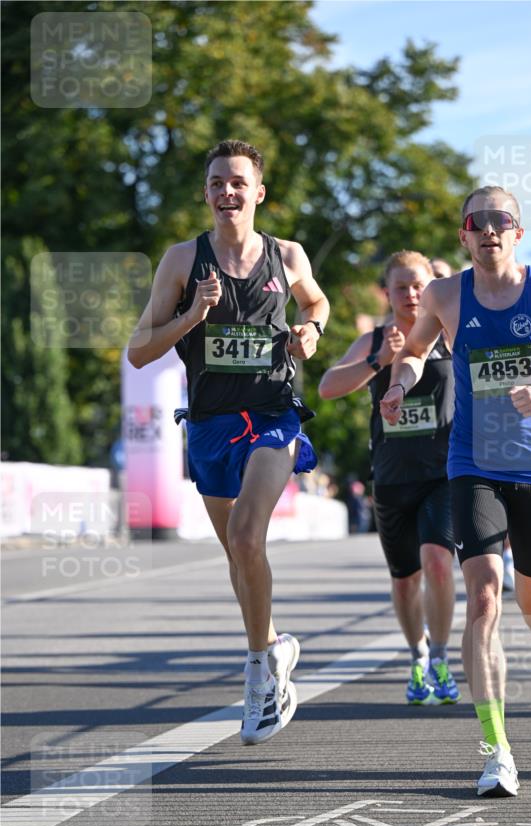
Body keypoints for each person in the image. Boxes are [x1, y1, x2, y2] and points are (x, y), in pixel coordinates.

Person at [381, 186, 531, 796]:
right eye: (476, 221)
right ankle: (496, 750)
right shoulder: (444, 294)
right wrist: (400, 383)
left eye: (500, 220)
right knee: (483, 600)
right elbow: (416, 351)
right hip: (472, 465)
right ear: (463, 235)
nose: (488, 230)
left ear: (518, 232)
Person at [128, 139, 329, 745]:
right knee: (238, 557)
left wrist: (312, 331)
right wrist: (193, 315)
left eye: (238, 182)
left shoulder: (287, 255)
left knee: (246, 537)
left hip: (272, 415)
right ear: (207, 194)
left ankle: (259, 673)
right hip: (210, 424)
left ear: (258, 193)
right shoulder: (181, 260)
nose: (227, 192)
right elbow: (138, 351)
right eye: (217, 183)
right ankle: (274, 647)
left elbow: (316, 300)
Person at [319, 251, 459, 706]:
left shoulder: (450, 335)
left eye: (419, 285)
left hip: (442, 474)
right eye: (401, 287)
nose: (412, 294)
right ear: (387, 293)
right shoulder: (376, 340)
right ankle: (417, 656)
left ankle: (441, 658)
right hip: (392, 477)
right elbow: (327, 386)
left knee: (437, 562)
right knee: (404, 581)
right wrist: (378, 361)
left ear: (432, 287)